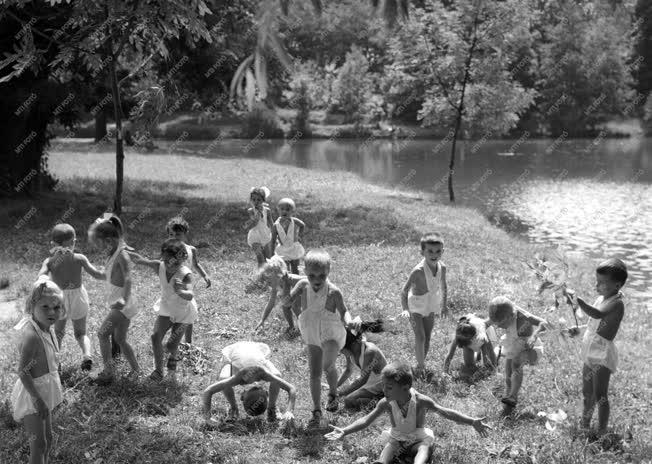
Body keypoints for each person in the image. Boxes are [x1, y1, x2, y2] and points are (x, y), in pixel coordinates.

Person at [325, 362, 490, 464]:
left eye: (388, 387)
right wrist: (345, 430)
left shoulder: (421, 401)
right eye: (383, 386)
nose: (384, 390)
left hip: (417, 438)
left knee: (424, 448)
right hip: (397, 439)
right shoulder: (386, 403)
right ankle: (382, 462)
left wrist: (471, 421)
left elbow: (445, 412)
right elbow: (367, 420)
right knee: (390, 446)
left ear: (405, 388)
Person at [287, 249, 360, 426]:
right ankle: (316, 410)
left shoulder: (333, 292)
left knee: (327, 366)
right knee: (314, 373)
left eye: (322, 275)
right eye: (312, 276)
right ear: (305, 271)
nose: (317, 280)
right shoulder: (303, 286)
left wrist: (352, 321)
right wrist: (282, 288)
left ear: (329, 271)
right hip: (311, 332)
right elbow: (287, 302)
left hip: (331, 333)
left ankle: (333, 394)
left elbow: (344, 312)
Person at [565, 258, 627, 436]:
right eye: (597, 281)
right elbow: (594, 323)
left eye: (601, 283)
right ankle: (585, 423)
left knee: (600, 394)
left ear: (616, 285)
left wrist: (579, 302)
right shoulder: (601, 298)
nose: (597, 286)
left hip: (602, 354)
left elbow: (597, 314)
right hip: (589, 352)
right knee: (587, 392)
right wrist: (579, 329)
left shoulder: (617, 303)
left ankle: (601, 430)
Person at [38, 223, 105, 371]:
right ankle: (87, 355)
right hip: (78, 298)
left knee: (59, 333)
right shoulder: (79, 258)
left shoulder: (49, 261)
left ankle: (56, 362)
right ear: (73, 242)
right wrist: (110, 273)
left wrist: (45, 283)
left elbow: (41, 275)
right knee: (81, 333)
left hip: (58, 300)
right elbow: (97, 274)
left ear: (53, 244)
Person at [11, 277, 64, 464]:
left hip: (44, 391)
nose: (52, 312)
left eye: (57, 307)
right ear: (32, 306)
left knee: (48, 440)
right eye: (45, 307)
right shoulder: (32, 336)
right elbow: (23, 371)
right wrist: (37, 399)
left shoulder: (47, 328)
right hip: (32, 394)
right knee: (38, 444)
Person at [129, 239, 197, 381]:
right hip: (166, 308)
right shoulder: (158, 266)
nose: (170, 266)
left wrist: (180, 291)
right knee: (155, 337)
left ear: (183, 259)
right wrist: (122, 250)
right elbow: (139, 259)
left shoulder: (186, 274)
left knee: (172, 344)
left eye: (175, 263)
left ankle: (172, 371)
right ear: (162, 257)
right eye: (167, 262)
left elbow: (190, 295)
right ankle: (158, 371)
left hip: (182, 311)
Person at [88, 214, 141, 384]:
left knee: (102, 334)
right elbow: (108, 275)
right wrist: (92, 271)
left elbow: (128, 279)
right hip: (120, 304)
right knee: (120, 339)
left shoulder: (121, 255)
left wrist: (124, 300)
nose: (99, 248)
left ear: (109, 241)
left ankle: (108, 372)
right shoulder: (112, 254)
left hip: (123, 305)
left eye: (99, 245)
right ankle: (136, 370)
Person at [201, 341, 296, 424]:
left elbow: (208, 391)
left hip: (254, 352)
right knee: (223, 378)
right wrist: (207, 418)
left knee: (277, 375)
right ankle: (234, 408)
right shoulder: (239, 378)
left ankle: (272, 408)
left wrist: (289, 411)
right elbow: (208, 391)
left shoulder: (263, 374)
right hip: (236, 351)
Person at [488, 296, 547, 415]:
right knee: (508, 373)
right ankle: (509, 396)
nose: (499, 327)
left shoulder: (523, 317)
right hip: (514, 345)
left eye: (501, 324)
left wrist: (534, 336)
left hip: (530, 348)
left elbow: (543, 323)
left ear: (511, 316)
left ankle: (513, 396)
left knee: (516, 363)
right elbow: (488, 321)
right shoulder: (505, 312)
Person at [400, 233, 448, 377]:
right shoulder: (418, 271)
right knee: (420, 336)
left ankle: (419, 364)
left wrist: (444, 305)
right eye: (430, 251)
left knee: (427, 337)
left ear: (443, 251)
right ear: (422, 252)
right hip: (416, 306)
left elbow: (444, 286)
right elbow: (404, 291)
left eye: (438, 251)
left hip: (431, 304)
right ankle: (421, 368)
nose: (434, 255)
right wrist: (405, 309)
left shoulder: (442, 268)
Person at [165, 216, 211, 345]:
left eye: (178, 234)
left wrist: (205, 275)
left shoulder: (191, 250)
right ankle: (172, 340)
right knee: (174, 314)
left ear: (185, 234)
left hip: (187, 287)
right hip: (174, 288)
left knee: (189, 315)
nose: (174, 237)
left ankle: (188, 343)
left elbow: (195, 264)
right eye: (170, 234)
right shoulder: (169, 251)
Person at [337, 325, 388, 410]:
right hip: (369, 382)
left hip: (380, 384)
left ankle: (383, 400)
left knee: (348, 400)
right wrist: (334, 388)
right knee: (346, 395)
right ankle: (377, 400)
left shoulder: (370, 352)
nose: (340, 351)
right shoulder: (351, 352)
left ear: (352, 344)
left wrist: (340, 394)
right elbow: (348, 370)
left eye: (342, 349)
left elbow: (363, 380)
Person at [253, 255, 303, 336]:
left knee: (294, 305)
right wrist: (262, 320)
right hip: (298, 295)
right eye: (267, 281)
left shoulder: (289, 280)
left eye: (269, 281)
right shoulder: (276, 284)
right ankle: (291, 327)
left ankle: (303, 327)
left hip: (309, 291)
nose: (268, 284)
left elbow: (307, 282)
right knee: (285, 306)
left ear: (278, 276)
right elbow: (271, 302)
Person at [270, 197, 305, 274]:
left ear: (292, 211)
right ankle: (287, 283)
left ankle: (296, 282)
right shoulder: (276, 225)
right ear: (278, 210)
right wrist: (272, 253)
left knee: (295, 268)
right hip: (283, 249)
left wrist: (300, 235)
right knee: (285, 269)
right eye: (282, 209)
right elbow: (272, 240)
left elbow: (302, 225)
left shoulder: (294, 221)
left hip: (294, 248)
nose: (284, 211)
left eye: (288, 210)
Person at [244, 186, 274, 267]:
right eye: (254, 199)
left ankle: (267, 276)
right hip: (255, 237)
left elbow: (271, 223)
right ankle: (260, 277)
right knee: (260, 259)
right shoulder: (251, 211)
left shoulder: (267, 210)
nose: (256, 202)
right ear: (251, 200)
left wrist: (275, 233)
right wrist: (258, 212)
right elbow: (254, 223)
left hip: (265, 235)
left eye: (259, 200)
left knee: (268, 259)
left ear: (263, 200)